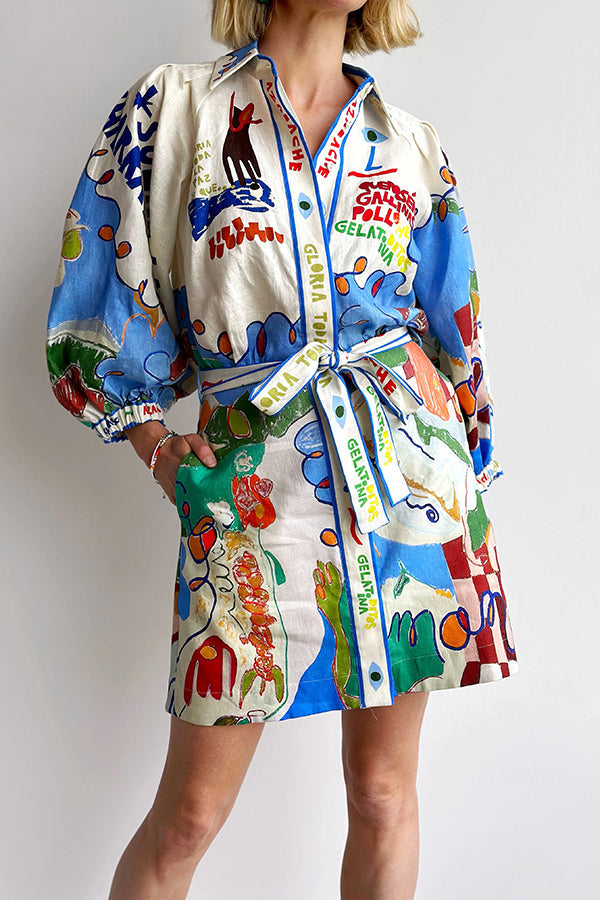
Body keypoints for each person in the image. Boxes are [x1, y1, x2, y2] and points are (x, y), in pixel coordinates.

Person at [45, 0, 519, 897]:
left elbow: (454, 327)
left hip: (406, 485)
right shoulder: (173, 110)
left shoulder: (409, 145)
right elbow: (98, 296)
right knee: (190, 817)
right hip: (250, 493)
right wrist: (154, 444)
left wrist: (468, 460)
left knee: (383, 792)